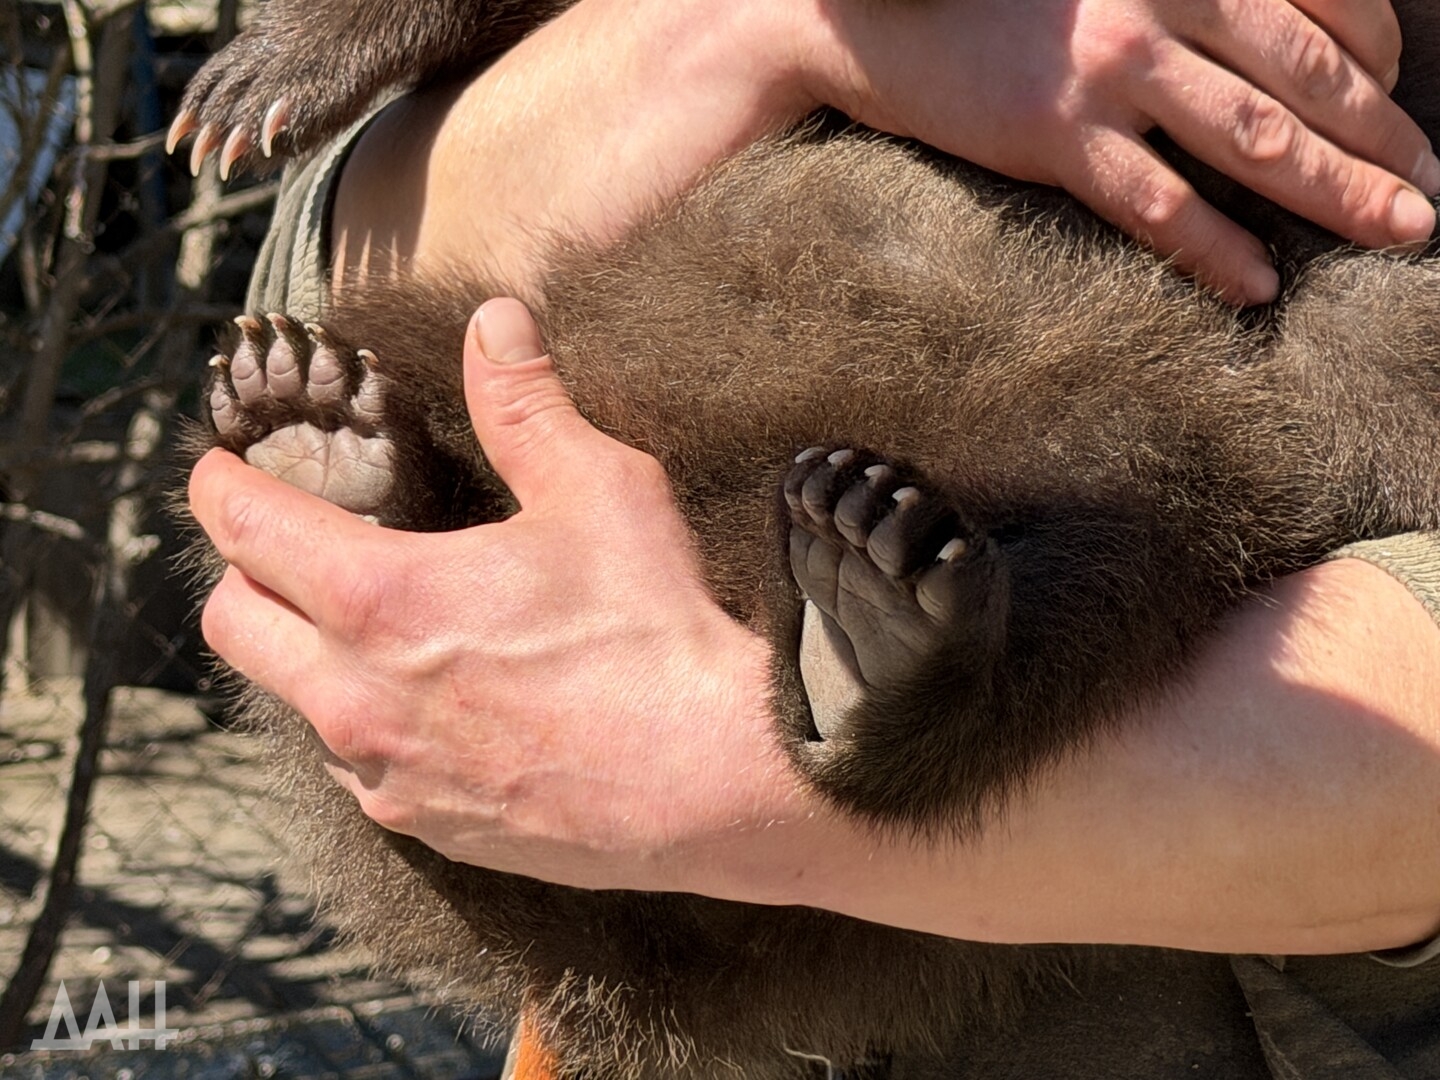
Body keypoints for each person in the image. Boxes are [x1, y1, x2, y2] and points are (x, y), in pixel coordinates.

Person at [187, 0, 1440, 1071]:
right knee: (410, 421)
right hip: (637, 391)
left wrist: (716, 775)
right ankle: (444, 515)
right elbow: (324, 257)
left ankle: (909, 693)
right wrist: (746, 29)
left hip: (1026, 457)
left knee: (1121, 508)